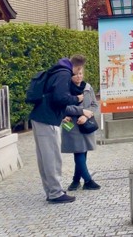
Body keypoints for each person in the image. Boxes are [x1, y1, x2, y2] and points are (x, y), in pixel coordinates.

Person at [29, 54, 87, 203]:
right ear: (78, 67)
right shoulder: (63, 74)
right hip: (48, 119)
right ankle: (56, 193)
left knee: (44, 157)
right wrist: (77, 99)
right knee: (52, 157)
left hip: (40, 117)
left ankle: (51, 190)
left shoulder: (57, 70)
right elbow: (59, 98)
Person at [62, 70, 100, 191]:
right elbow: (60, 106)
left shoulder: (87, 87)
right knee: (78, 150)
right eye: (75, 74)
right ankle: (88, 180)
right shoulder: (64, 89)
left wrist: (86, 116)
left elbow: (94, 105)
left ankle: (76, 180)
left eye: (80, 74)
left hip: (86, 123)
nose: (78, 76)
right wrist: (63, 116)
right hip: (70, 124)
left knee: (83, 151)